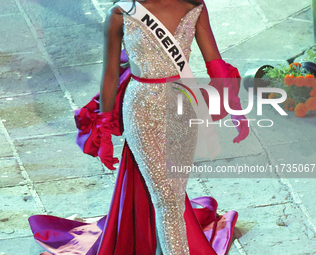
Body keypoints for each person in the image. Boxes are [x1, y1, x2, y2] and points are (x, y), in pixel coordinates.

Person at [28, 0, 249, 254]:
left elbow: (216, 64)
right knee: (167, 198)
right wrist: (104, 129)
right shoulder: (121, 12)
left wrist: (235, 108)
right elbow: (110, 74)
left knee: (174, 192)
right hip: (140, 109)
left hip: (183, 107)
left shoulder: (194, 6)